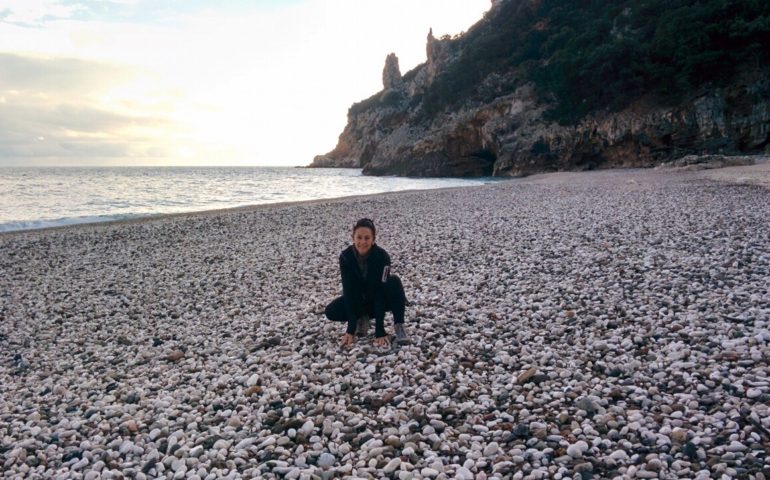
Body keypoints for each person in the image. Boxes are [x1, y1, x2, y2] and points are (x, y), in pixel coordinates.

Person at [325, 218, 409, 347]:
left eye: (367, 238)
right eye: (359, 237)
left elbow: (380, 292)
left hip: (379, 298)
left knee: (394, 281)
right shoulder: (345, 257)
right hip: (359, 299)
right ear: (353, 238)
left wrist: (379, 331)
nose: (362, 242)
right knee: (331, 311)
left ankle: (399, 325)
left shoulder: (383, 257)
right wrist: (350, 329)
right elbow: (348, 292)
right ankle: (361, 318)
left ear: (373, 239)